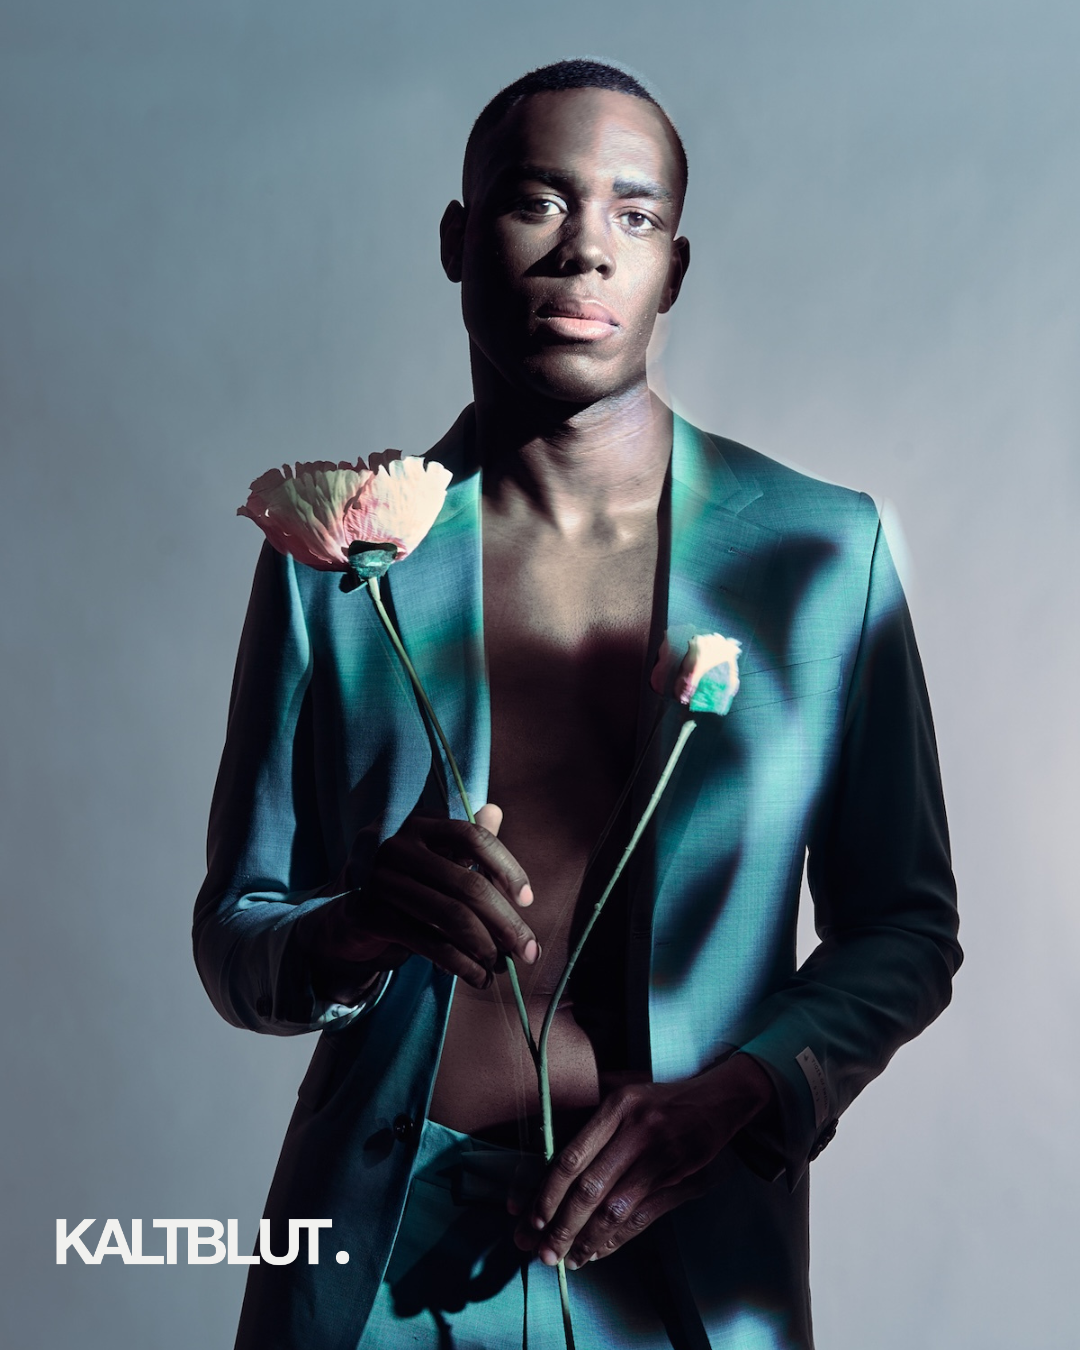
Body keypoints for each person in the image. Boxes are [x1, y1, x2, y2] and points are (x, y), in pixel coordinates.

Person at [194, 59, 961, 1350]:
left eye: (634, 215)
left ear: (676, 266)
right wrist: (361, 924)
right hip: (375, 1250)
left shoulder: (824, 553)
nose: (586, 251)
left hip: (683, 1253)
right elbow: (237, 938)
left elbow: (904, 925)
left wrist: (737, 1096)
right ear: (459, 238)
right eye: (537, 201)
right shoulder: (334, 559)